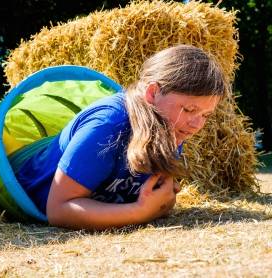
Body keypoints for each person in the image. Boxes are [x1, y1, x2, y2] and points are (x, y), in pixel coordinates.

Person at [14, 44, 227, 230]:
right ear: (152, 94)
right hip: (23, 190)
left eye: (206, 115)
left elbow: (157, 197)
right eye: (189, 109)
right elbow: (59, 210)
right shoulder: (108, 125)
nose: (197, 124)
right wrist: (141, 212)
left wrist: (163, 199)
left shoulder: (172, 129)